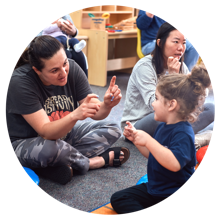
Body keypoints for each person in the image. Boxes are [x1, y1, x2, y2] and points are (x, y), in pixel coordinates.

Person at [6, 36, 130, 185]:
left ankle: (58, 163)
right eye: (54, 70)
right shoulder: (20, 81)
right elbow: (46, 132)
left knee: (113, 129)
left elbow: (97, 112)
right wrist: (75, 115)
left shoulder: (72, 68)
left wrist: (107, 104)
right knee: (51, 149)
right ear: (37, 70)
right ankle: (93, 163)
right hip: (26, 143)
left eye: (64, 63)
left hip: (62, 137)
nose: (64, 73)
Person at [111, 64, 212, 214]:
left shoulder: (183, 133)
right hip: (156, 188)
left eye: (157, 99)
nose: (153, 103)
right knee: (118, 198)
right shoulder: (163, 126)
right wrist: (137, 140)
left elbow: (174, 164)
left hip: (173, 189)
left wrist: (149, 141)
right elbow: (154, 155)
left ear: (172, 104)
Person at [121, 22, 215, 142]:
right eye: (176, 42)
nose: (181, 48)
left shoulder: (182, 66)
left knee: (211, 108)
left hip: (173, 117)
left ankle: (183, 137)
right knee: (161, 120)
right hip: (142, 122)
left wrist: (198, 88)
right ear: (160, 43)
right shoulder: (144, 66)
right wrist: (173, 77)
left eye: (184, 43)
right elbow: (155, 107)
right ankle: (189, 137)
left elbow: (189, 103)